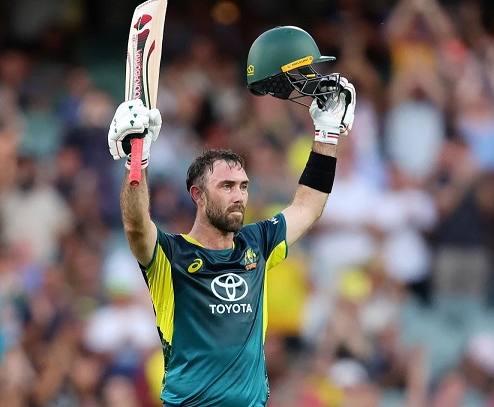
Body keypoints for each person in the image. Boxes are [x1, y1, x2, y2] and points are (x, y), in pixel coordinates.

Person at [107, 25, 356, 407]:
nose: (239, 195)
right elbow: (136, 225)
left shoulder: (258, 243)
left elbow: (308, 206)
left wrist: (327, 134)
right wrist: (135, 160)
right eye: (226, 186)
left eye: (243, 186)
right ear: (198, 195)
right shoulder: (171, 256)